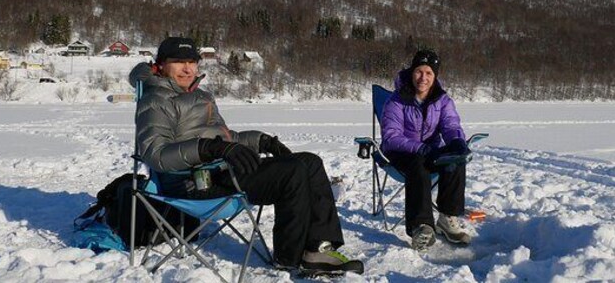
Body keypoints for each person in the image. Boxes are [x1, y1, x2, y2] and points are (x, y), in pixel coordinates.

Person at [130, 36, 363, 275]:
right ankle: (290, 256)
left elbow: (226, 138)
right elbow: (155, 154)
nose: (188, 68)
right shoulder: (155, 99)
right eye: (179, 62)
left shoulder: (202, 96)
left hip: (220, 171)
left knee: (309, 162)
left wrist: (262, 141)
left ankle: (319, 247)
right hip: (191, 182)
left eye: (192, 61)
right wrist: (210, 149)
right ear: (161, 64)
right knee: (291, 173)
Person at [380, 49, 473, 251]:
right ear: (412, 72)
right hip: (400, 153)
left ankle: (447, 218)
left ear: (435, 76)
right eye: (419, 71)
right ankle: (420, 226)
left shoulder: (443, 100)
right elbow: (391, 137)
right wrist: (421, 148)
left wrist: (457, 141)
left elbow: (450, 125)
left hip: (430, 151)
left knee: (455, 158)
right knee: (418, 164)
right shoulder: (396, 100)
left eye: (429, 73)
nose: (423, 78)